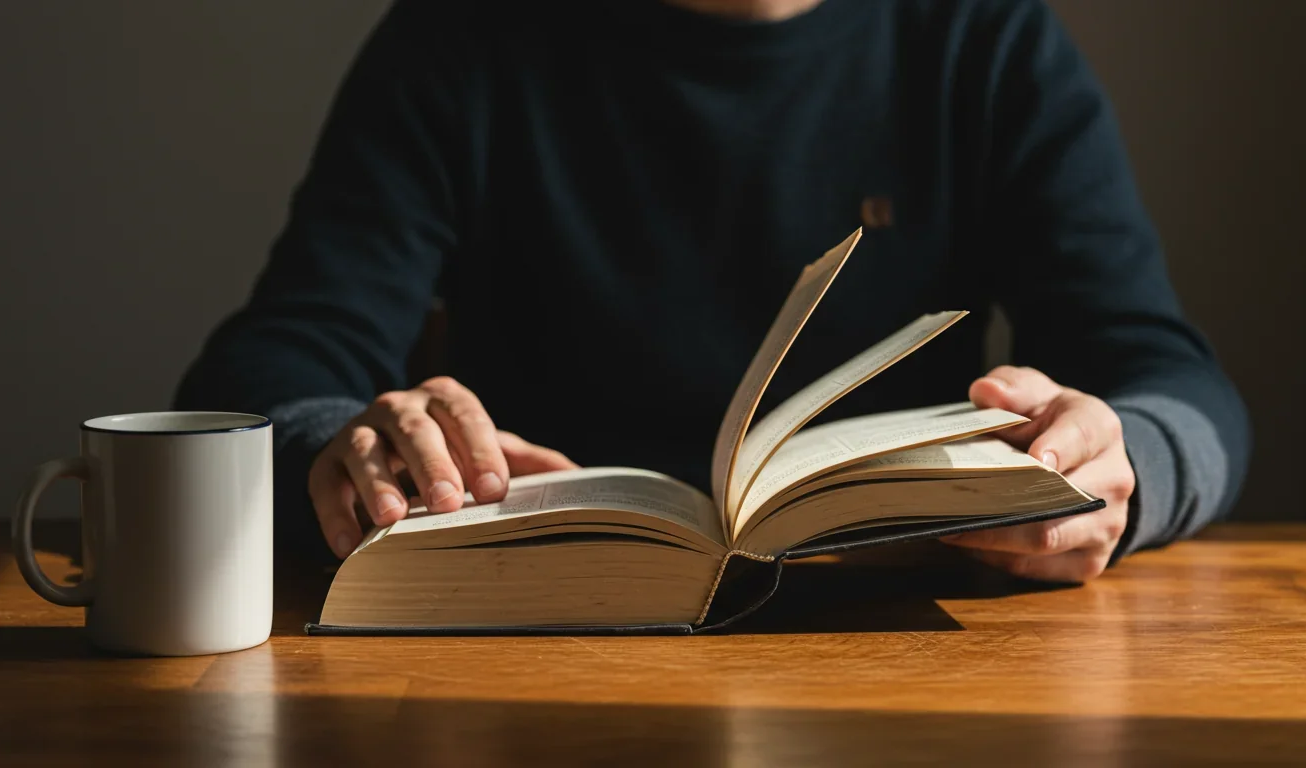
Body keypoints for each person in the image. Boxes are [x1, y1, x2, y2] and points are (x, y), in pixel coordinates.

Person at [176, 0, 1250, 583]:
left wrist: (1126, 468)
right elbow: (264, 368)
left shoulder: (982, 36)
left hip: (912, 634)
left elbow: (1172, 381)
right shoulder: (460, 38)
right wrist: (340, 445)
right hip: (533, 629)